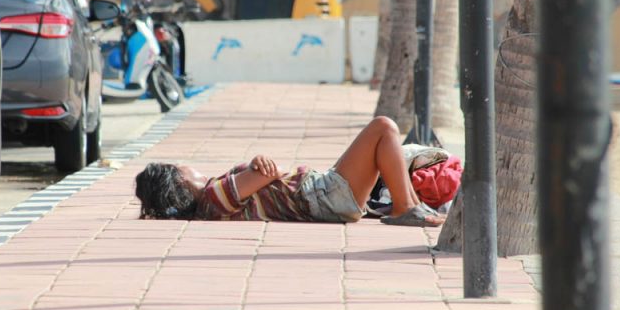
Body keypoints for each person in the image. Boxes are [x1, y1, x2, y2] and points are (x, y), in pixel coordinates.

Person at [135, 117, 446, 227]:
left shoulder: (213, 201)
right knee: (383, 127)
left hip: (321, 195)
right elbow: (271, 173)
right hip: (321, 196)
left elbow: (262, 176)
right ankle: (405, 208)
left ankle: (409, 206)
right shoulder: (214, 196)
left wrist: (257, 163)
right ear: (179, 178)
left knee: (384, 138)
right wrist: (259, 164)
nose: (185, 164)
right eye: (179, 165)